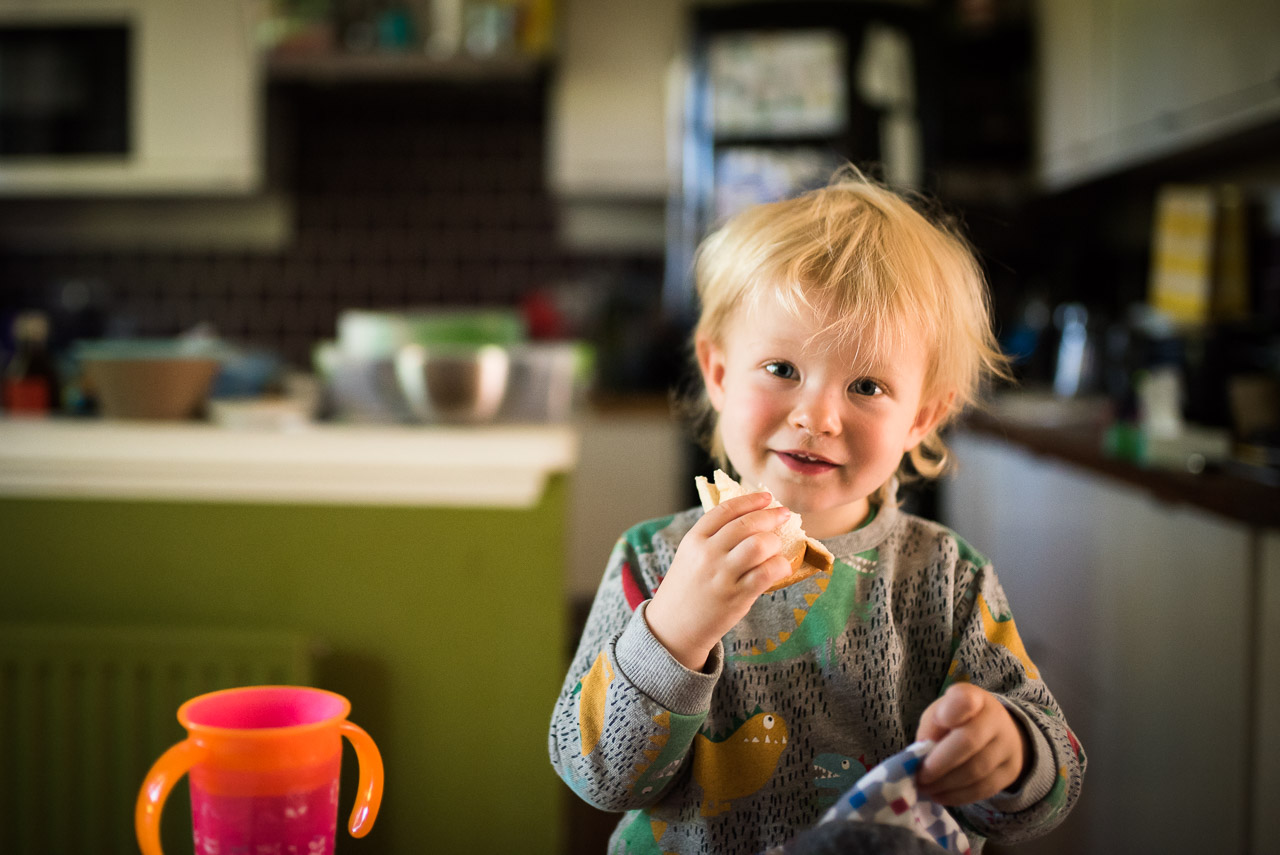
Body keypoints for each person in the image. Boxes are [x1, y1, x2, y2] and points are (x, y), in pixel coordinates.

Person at [548, 167, 1085, 855]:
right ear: (717, 372)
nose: (817, 416)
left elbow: (1054, 779)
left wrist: (1011, 753)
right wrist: (675, 631)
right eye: (781, 369)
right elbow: (596, 774)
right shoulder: (652, 560)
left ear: (923, 414)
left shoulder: (947, 578)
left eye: (866, 384)